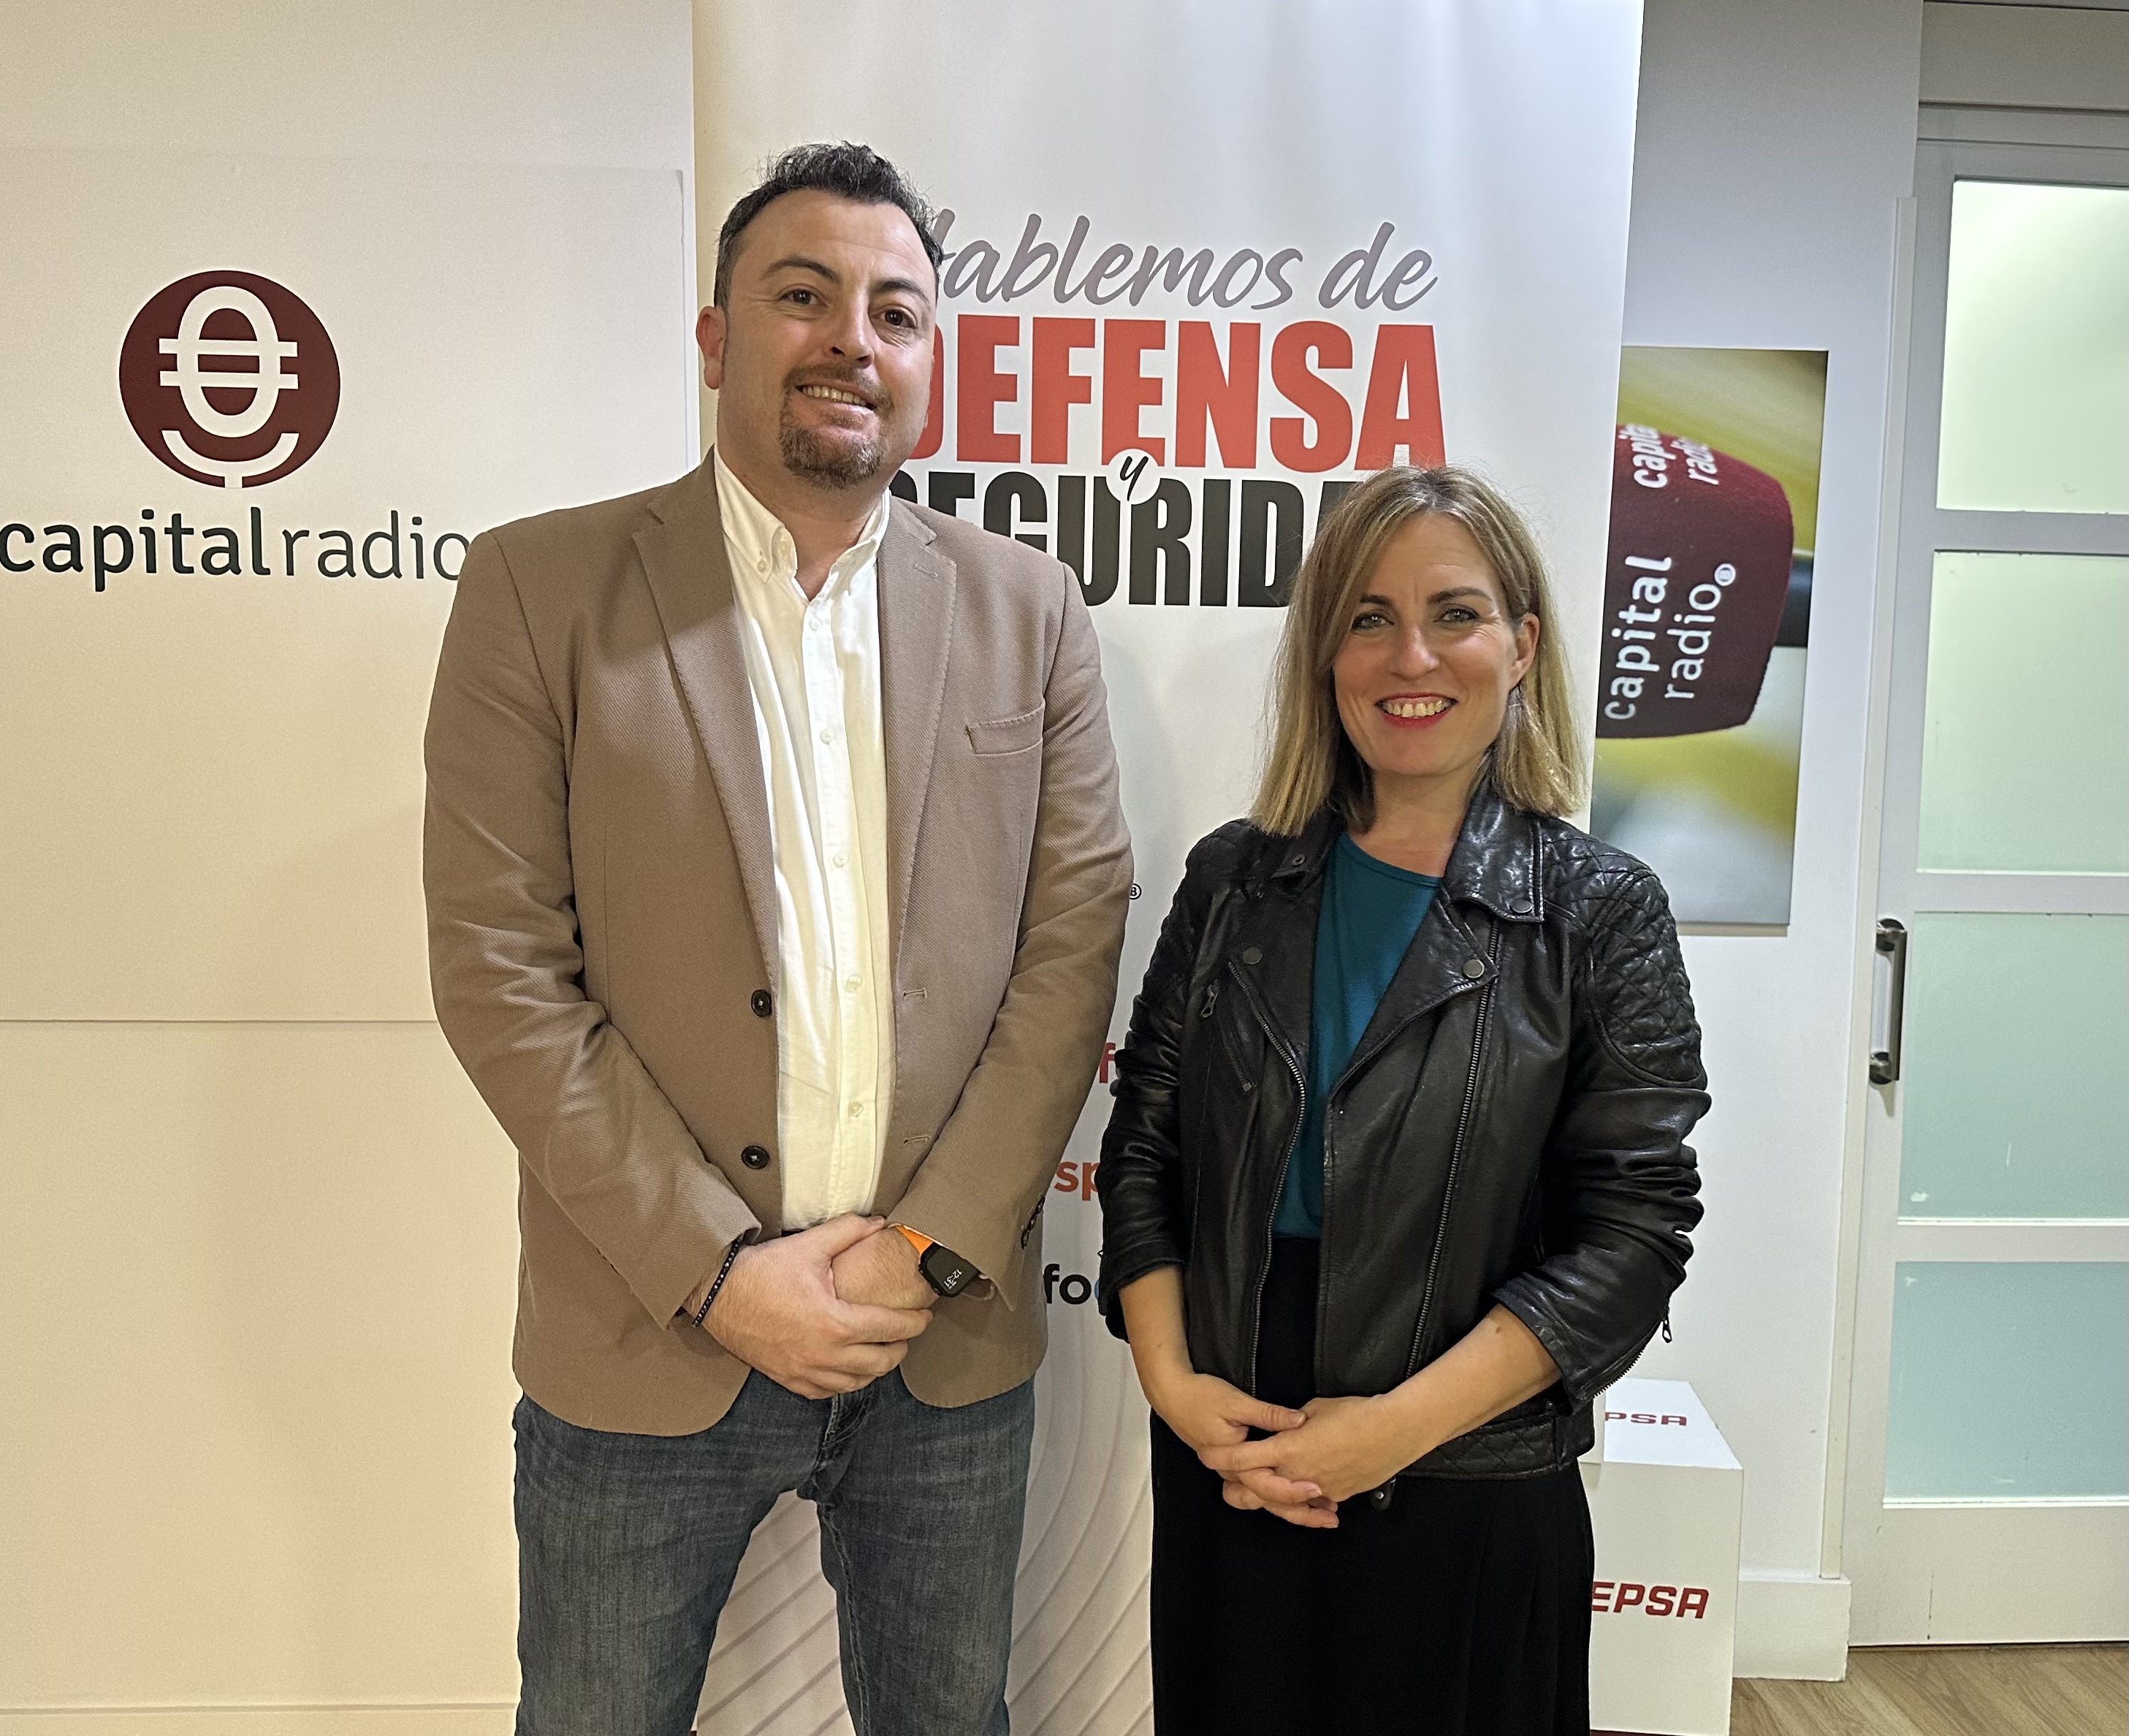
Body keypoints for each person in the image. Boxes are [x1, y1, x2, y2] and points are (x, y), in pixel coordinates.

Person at [424, 142, 1132, 1735]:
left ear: (928, 359)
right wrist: (717, 1271)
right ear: (714, 336)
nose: (848, 341)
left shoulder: (1031, 610)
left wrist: (926, 1242)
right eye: (799, 296)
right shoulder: (541, 589)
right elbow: (500, 967)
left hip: (939, 1337)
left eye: (894, 310)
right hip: (644, 1331)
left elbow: (1072, 939)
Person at [1095, 466, 1708, 1735]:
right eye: (1368, 617)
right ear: (1326, 654)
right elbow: (1146, 1138)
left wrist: (1387, 1435)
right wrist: (1172, 1380)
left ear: (1523, 644)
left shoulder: (1600, 912)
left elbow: (1633, 1239)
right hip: (1232, 1450)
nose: (1410, 655)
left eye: (1457, 613)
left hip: (1470, 1468)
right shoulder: (1233, 879)